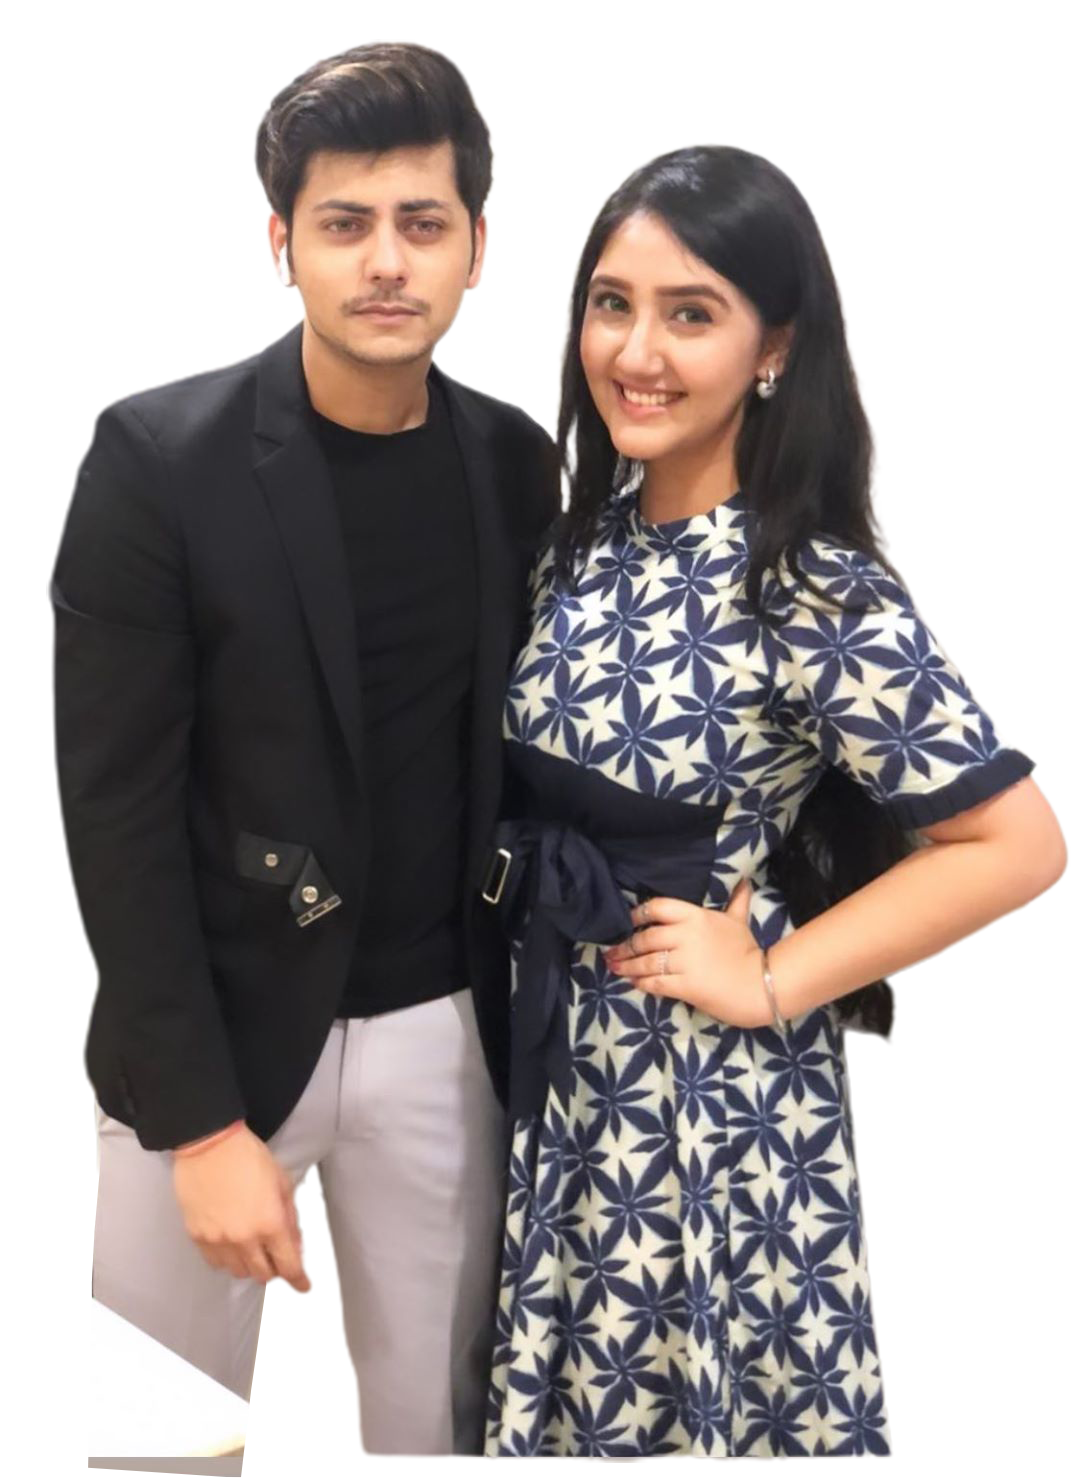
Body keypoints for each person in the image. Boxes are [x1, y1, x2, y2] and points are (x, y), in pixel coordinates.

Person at [482, 143, 1066, 1458]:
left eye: (691, 314)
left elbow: (1017, 842)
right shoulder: (583, 540)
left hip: (709, 1109)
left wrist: (772, 976)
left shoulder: (807, 583)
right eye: (613, 303)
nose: (636, 350)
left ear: (775, 348)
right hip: (572, 1070)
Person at [50, 41, 559, 1457]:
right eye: (345, 223)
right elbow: (113, 808)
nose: (386, 261)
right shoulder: (158, 462)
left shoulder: (514, 461)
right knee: (151, 1434)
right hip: (208, 1034)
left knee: (434, 1427)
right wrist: (202, 1126)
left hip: (441, 1026)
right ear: (283, 242)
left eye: (422, 223)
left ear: (473, 246)